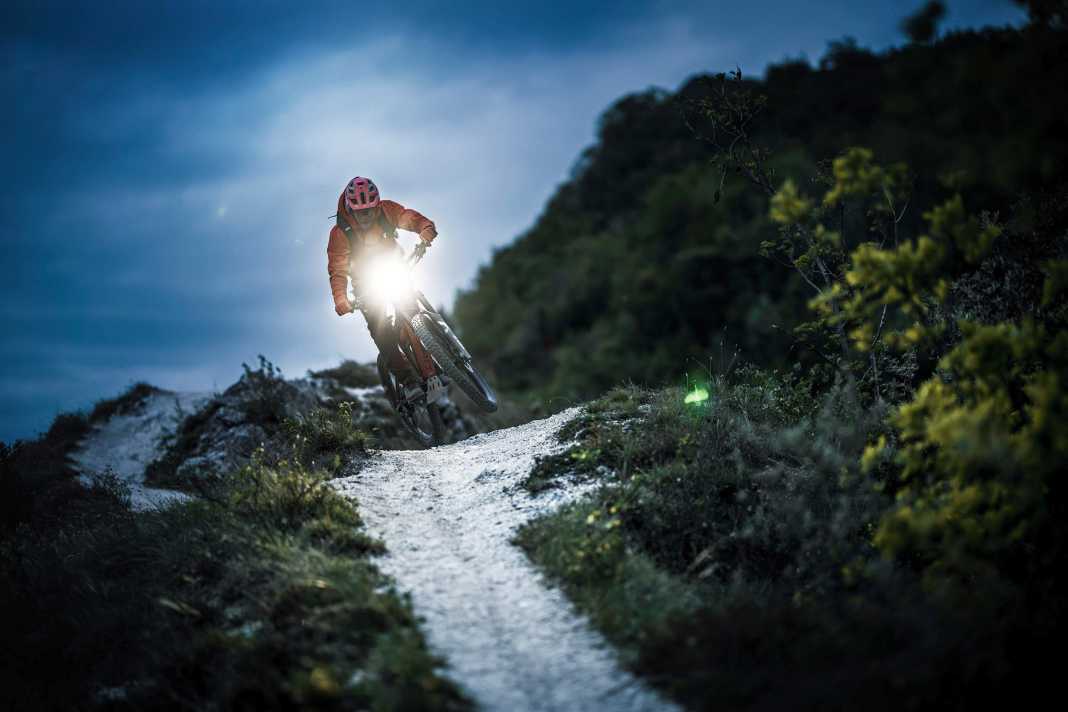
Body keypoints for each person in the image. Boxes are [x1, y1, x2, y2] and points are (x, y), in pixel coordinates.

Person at [327, 176, 437, 399]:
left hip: (395, 267)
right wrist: (340, 298)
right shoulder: (339, 234)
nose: (366, 217)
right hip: (365, 285)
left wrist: (425, 228)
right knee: (381, 331)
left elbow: (409, 217)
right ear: (350, 209)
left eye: (369, 211)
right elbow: (337, 269)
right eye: (360, 213)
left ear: (376, 205)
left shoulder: (387, 210)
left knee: (412, 310)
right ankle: (408, 382)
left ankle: (436, 363)